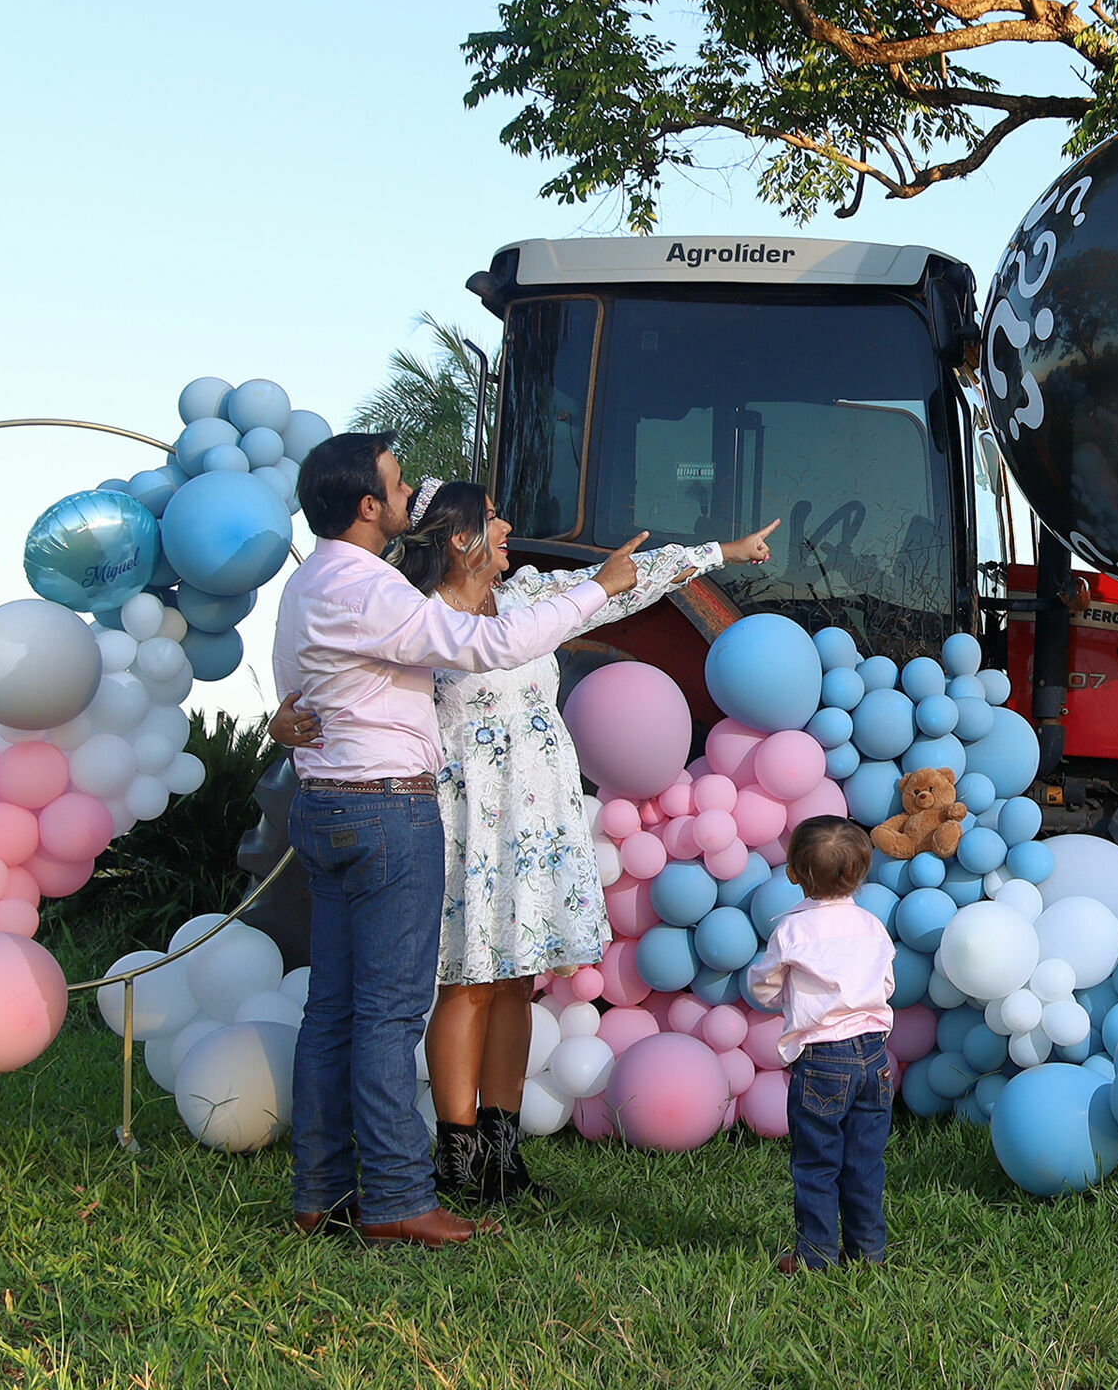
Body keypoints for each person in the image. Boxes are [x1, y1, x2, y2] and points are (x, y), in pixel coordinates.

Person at [275, 480, 777, 1204]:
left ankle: (503, 1154)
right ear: (458, 538)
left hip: (536, 819)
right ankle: (457, 1153)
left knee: (517, 980)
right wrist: (283, 722)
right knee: (467, 983)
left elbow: (626, 584)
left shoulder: (531, 597)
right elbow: (338, 685)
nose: (508, 528)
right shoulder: (412, 620)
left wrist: (720, 552)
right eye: (492, 520)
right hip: (462, 818)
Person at [273, 431, 652, 1250]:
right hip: (385, 807)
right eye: (397, 484)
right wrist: (598, 592)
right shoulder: (370, 587)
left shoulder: (310, 582)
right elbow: (486, 645)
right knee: (386, 1015)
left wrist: (286, 721)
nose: (408, 494)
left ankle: (320, 1191)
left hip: (327, 802)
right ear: (368, 505)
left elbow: (297, 687)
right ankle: (401, 1199)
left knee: (332, 1011)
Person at [746, 817, 896, 1273]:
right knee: (865, 1160)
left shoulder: (792, 932)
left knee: (817, 1162)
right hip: (874, 1055)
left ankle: (816, 1257)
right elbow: (886, 982)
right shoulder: (872, 926)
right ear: (863, 873)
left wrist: (780, 997)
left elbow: (765, 986)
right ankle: (868, 1252)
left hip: (823, 1058)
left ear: (793, 872)